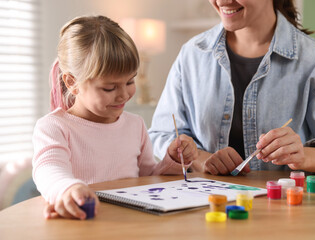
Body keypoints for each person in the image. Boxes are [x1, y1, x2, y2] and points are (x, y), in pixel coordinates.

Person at [149, 0, 315, 175]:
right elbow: (161, 134)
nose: (222, 1)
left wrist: (303, 156)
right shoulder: (191, 55)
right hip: (205, 209)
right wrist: (201, 159)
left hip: (285, 211)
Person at [32, 15, 198, 220]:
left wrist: (172, 160)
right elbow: (48, 170)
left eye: (130, 82)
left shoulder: (135, 124)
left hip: (131, 223)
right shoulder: (54, 127)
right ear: (72, 82)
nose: (124, 95)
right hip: (85, 222)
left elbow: (147, 178)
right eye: (109, 88)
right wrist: (68, 189)